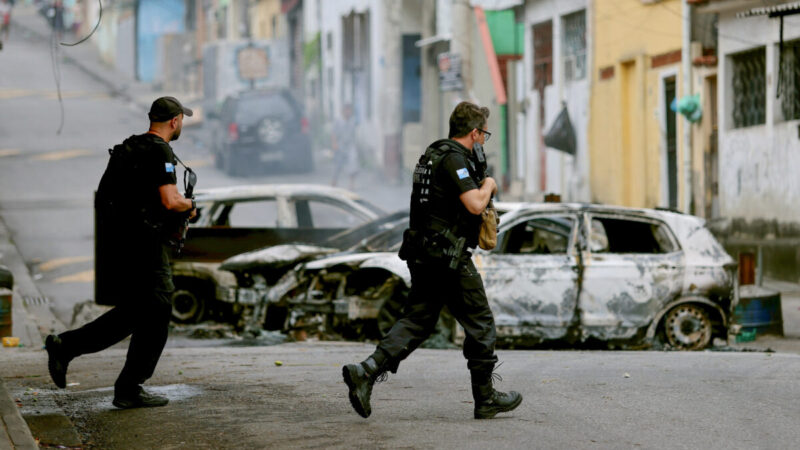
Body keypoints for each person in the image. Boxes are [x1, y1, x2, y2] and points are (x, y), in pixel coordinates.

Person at [342, 101, 522, 420]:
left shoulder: (432, 155)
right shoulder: (455, 160)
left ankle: (365, 372)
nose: (484, 141)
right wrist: (490, 183)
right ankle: (485, 398)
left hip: (424, 253)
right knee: (480, 323)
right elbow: (475, 204)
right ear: (474, 132)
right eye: (484, 135)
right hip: (448, 258)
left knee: (416, 321)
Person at [45, 97, 196, 409]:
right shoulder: (160, 150)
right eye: (182, 119)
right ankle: (126, 385)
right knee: (157, 308)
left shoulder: (130, 148)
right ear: (175, 121)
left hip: (121, 245)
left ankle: (69, 349)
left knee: (135, 313)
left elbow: (116, 197)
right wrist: (190, 205)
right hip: (145, 245)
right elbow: (170, 200)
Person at [330, 104, 359, 190]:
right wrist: (334, 144)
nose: (348, 112)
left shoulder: (353, 121)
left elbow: (354, 134)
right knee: (338, 165)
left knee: (352, 163)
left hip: (350, 145)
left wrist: (356, 145)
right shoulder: (338, 121)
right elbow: (333, 133)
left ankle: (352, 183)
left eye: (349, 110)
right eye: (346, 110)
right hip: (340, 145)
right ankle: (334, 182)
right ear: (343, 111)